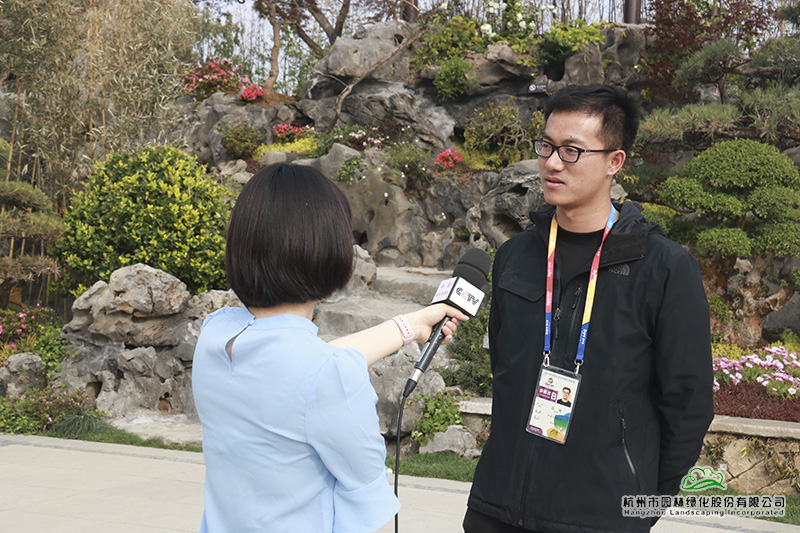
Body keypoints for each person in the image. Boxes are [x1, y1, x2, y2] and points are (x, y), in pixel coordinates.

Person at [463, 85, 714, 532]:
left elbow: (688, 402)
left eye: (572, 151)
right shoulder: (517, 255)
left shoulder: (663, 267)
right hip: (496, 506)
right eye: (546, 146)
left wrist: (642, 505)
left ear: (614, 161)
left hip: (599, 517)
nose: (552, 163)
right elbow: (504, 366)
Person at [192, 163, 469, 533]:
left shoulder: (216, 332)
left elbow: (310, 361)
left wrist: (410, 325)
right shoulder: (324, 374)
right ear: (326, 251)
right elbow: (370, 509)